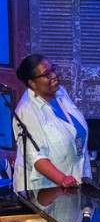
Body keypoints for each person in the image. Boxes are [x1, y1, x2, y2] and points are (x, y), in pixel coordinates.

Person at [12, 54, 91, 192]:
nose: (54, 75)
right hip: (45, 191)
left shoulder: (60, 93)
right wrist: (62, 179)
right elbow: (36, 157)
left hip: (74, 181)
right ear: (32, 83)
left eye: (53, 69)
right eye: (47, 74)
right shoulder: (26, 112)